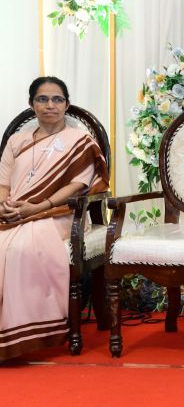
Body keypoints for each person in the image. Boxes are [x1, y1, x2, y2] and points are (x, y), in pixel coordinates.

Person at [0, 77, 108, 361]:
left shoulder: (80, 142)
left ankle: (25, 331)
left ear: (66, 105)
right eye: (42, 99)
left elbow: (77, 186)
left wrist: (37, 208)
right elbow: (3, 184)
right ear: (31, 104)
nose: (50, 105)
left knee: (18, 247)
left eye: (57, 99)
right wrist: (3, 207)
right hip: (15, 213)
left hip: (59, 214)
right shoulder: (16, 141)